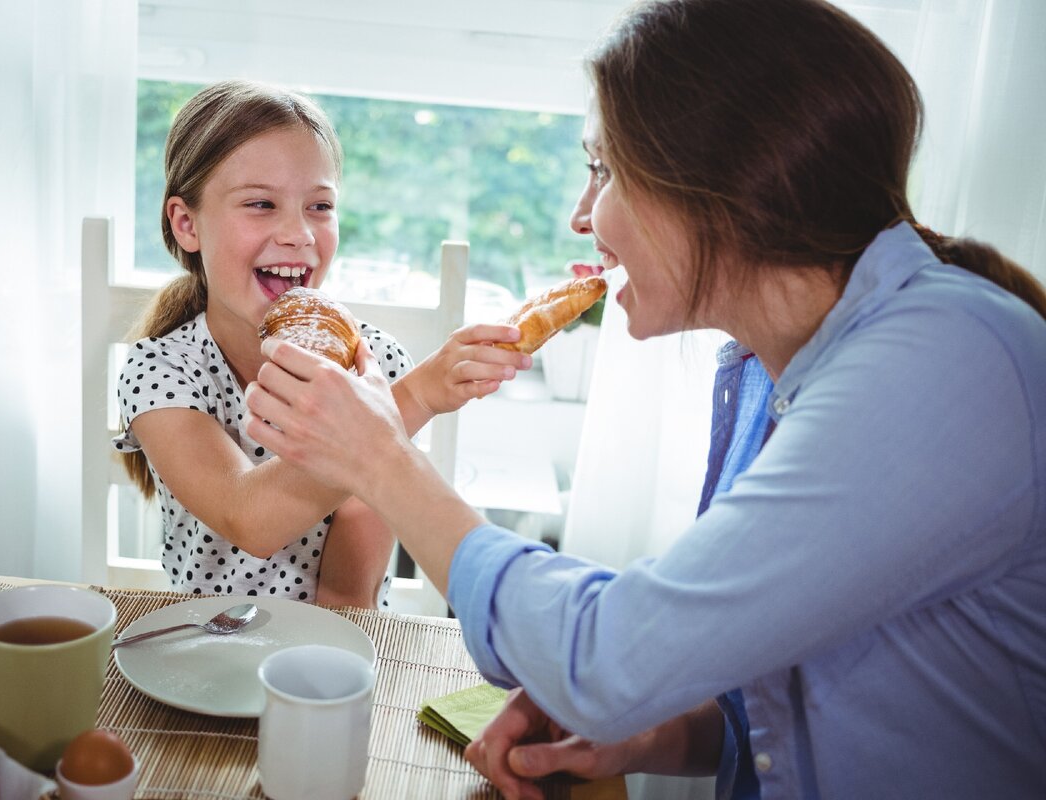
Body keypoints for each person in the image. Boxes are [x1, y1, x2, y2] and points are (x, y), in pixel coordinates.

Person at [242, 0, 1046, 797]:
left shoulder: (939, 363)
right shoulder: (772, 373)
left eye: (604, 170)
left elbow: (604, 659)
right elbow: (835, 708)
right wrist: (666, 736)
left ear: (719, 184)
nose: (580, 216)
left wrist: (381, 457)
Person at [113, 80, 528, 608]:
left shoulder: (372, 365)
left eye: (320, 206)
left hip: (336, 649)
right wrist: (416, 398)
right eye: (261, 204)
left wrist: (313, 679)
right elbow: (249, 518)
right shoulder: (162, 368)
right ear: (187, 223)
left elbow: (348, 592)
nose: (300, 234)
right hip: (204, 644)